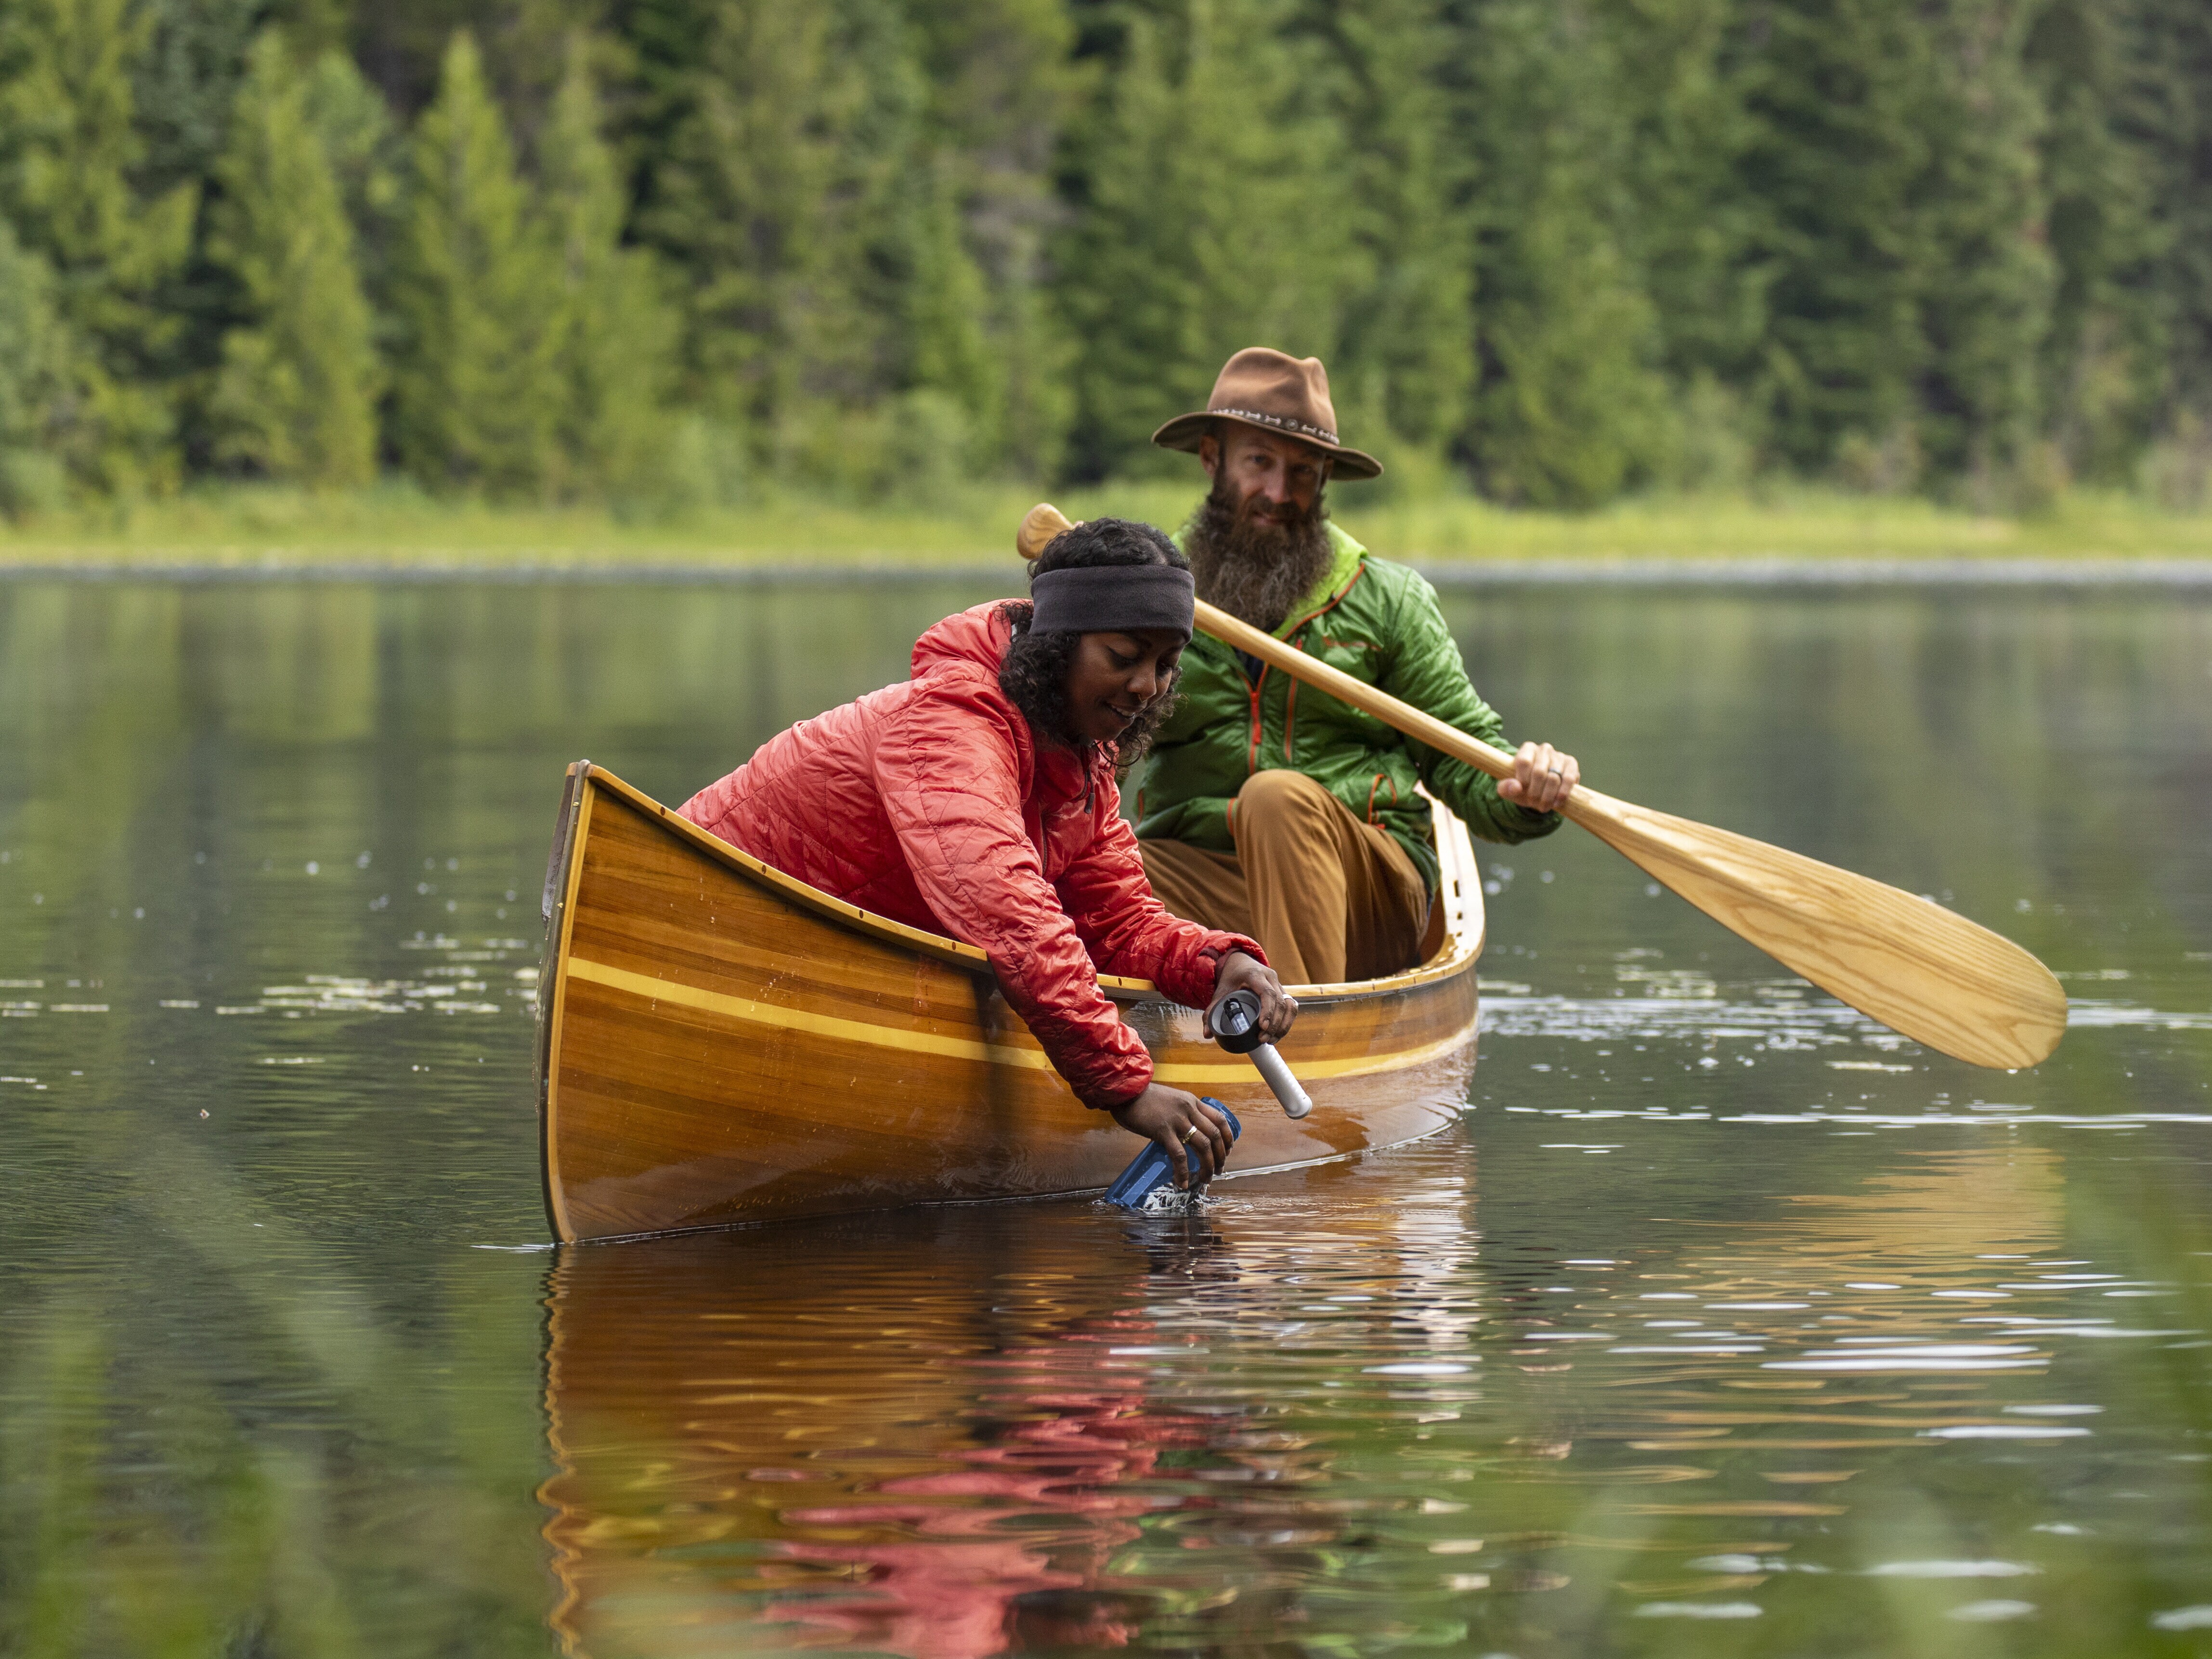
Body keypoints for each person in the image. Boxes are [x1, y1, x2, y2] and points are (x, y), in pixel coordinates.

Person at [677, 517, 1296, 1188]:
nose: (1146, 685)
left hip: (793, 974)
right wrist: (1127, 1085)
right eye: (1123, 656)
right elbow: (1010, 914)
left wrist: (1218, 964)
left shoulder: (1080, 762)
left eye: (1164, 666)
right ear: (1057, 646)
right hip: (695, 924)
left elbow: (1119, 924)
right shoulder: (950, 722)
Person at [1133, 347, 1582, 985]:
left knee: (1277, 799)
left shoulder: (1385, 598)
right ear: (1212, 458)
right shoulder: (1155, 594)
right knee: (1086, 862)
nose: (1278, 493)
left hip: (1359, 886)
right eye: (1258, 462)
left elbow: (1464, 755)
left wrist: (1527, 794)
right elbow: (1083, 746)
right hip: (1205, 882)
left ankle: (1299, 1031)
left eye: (1303, 472)